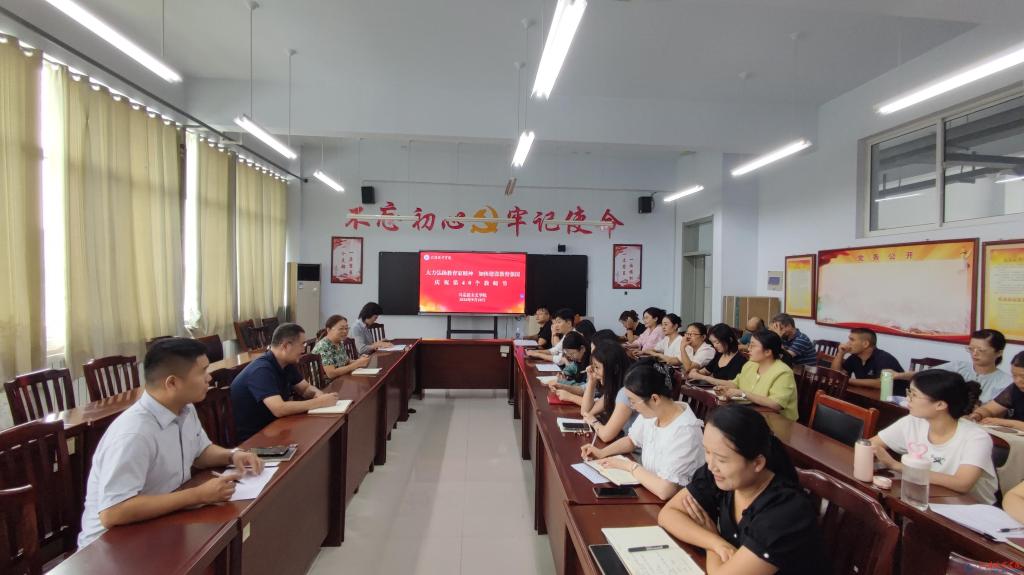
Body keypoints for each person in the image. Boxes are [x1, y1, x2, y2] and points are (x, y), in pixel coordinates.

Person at [78, 338, 265, 548]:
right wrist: (198, 495)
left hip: (158, 521)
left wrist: (232, 455)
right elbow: (113, 512)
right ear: (172, 383)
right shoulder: (134, 433)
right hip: (110, 545)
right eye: (203, 371)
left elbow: (200, 452)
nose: (209, 377)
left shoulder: (185, 408)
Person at [658, 405, 830, 575]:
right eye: (707, 452)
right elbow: (668, 514)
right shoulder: (721, 476)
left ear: (757, 463)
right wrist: (715, 542)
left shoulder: (785, 511)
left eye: (722, 459)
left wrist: (712, 538)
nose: (711, 466)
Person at [581, 360, 705, 500]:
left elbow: (665, 490)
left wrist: (630, 467)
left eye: (633, 401)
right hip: (650, 491)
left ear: (655, 399)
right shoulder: (655, 412)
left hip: (676, 503)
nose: (632, 406)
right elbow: (631, 440)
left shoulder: (685, 432)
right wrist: (602, 453)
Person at [870, 369, 997, 504]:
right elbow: (870, 444)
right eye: (909, 393)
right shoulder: (913, 422)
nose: (908, 399)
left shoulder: (976, 437)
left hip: (968, 508)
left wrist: (896, 465)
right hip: (927, 498)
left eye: (914, 395)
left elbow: (962, 483)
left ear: (940, 405)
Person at [230, 323, 340, 443]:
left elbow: (305, 389)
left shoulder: (286, 364)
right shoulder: (261, 370)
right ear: (286, 346)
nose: (304, 349)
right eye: (302, 344)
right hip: (255, 439)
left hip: (276, 426)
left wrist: (319, 395)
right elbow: (279, 409)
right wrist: (318, 403)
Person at [691, 330, 799, 421]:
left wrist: (742, 393)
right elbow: (736, 384)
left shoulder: (783, 372)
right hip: (750, 414)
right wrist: (726, 389)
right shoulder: (750, 365)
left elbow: (776, 404)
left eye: (753, 346)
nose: (748, 348)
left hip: (777, 421)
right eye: (749, 345)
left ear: (767, 352)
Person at [895, 329, 1010, 404]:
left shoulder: (1006, 382)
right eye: (971, 349)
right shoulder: (958, 367)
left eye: (981, 350)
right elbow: (927, 375)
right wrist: (899, 375)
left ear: (999, 353)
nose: (974, 354)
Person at [581, 342, 639, 441]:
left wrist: (593, 421)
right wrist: (591, 380)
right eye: (593, 367)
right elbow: (586, 412)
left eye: (597, 367)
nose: (594, 371)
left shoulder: (626, 392)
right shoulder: (615, 388)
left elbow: (606, 436)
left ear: (615, 369)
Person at [829, 327, 904, 388]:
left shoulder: (884, 358)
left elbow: (882, 384)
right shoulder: (854, 357)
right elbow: (835, 375)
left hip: (896, 399)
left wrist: (847, 380)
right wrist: (840, 353)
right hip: (868, 396)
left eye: (852, 340)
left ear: (865, 344)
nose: (848, 343)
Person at [968, 351, 1024, 431]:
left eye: (1023, 376)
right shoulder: (1015, 388)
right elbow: (989, 409)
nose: (1017, 381)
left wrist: (1005, 423)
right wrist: (978, 414)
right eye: (1014, 375)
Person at [547, 331, 591, 402]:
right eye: (568, 354)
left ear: (582, 349)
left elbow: (585, 387)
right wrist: (564, 374)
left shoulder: (591, 363)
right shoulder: (579, 359)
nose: (571, 357)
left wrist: (562, 383)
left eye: (572, 354)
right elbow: (570, 367)